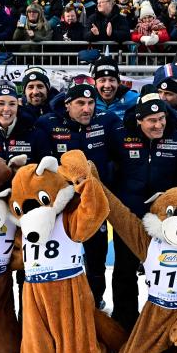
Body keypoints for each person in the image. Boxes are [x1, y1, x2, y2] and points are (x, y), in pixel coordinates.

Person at [108, 94, 177, 332]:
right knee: (124, 270)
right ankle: (125, 321)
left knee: (168, 270)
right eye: (151, 121)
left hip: (165, 220)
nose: (158, 125)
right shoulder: (120, 136)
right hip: (129, 217)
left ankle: (168, 322)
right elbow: (111, 171)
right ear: (139, 121)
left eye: (161, 118)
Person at [38, 80, 121, 310]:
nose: (87, 108)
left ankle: (95, 302)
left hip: (94, 206)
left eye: (91, 103)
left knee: (96, 260)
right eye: (80, 103)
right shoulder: (48, 124)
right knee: (62, 259)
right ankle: (61, 307)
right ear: (67, 105)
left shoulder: (107, 122)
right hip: (62, 207)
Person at [0, 80, 51, 163]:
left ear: (17, 106)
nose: (6, 109)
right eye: (1, 104)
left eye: (12, 104)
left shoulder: (35, 134)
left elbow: (46, 172)